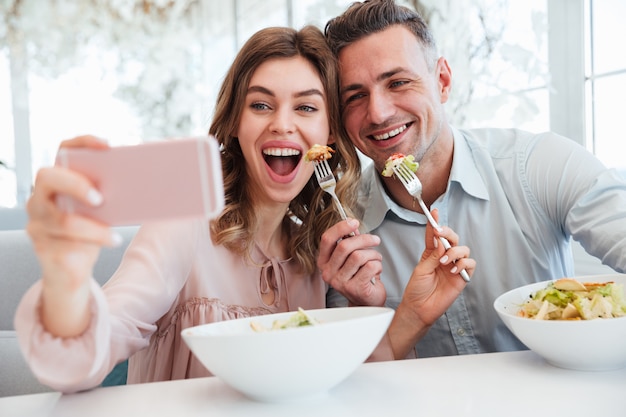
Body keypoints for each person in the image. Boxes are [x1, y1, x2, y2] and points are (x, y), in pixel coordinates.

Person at [15, 24, 474, 394]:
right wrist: (65, 279)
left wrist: (367, 307)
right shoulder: (185, 224)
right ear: (235, 122)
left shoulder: (320, 252)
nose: (282, 123)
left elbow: (347, 389)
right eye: (260, 104)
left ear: (330, 132)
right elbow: (77, 364)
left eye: (306, 108)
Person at [319, 0, 626, 358]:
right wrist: (364, 308)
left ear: (443, 81)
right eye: (355, 97)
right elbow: (352, 386)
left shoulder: (539, 164)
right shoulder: (341, 232)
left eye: (398, 82)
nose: (379, 112)